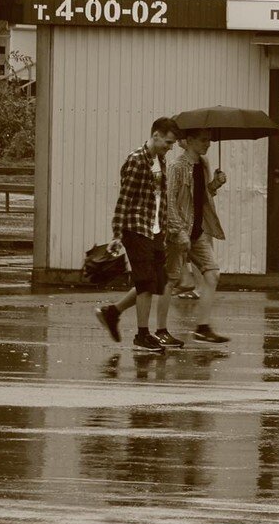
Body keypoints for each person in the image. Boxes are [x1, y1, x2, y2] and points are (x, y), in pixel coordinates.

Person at [95, 117, 180, 352]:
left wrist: (165, 227)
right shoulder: (136, 160)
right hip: (136, 228)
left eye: (172, 144)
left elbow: (159, 198)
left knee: (156, 281)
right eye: (168, 142)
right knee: (145, 282)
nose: (169, 147)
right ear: (155, 135)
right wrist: (116, 234)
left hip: (155, 230)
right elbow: (125, 198)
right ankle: (142, 335)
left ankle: (111, 312)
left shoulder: (160, 160)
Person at [155, 128, 229, 344]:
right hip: (179, 232)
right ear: (189, 141)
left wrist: (216, 184)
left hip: (198, 232)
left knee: (212, 274)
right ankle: (160, 331)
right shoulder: (177, 167)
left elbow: (202, 195)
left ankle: (202, 327)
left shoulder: (203, 164)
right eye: (204, 140)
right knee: (169, 280)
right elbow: (169, 201)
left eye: (209, 140)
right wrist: (178, 232)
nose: (208, 144)